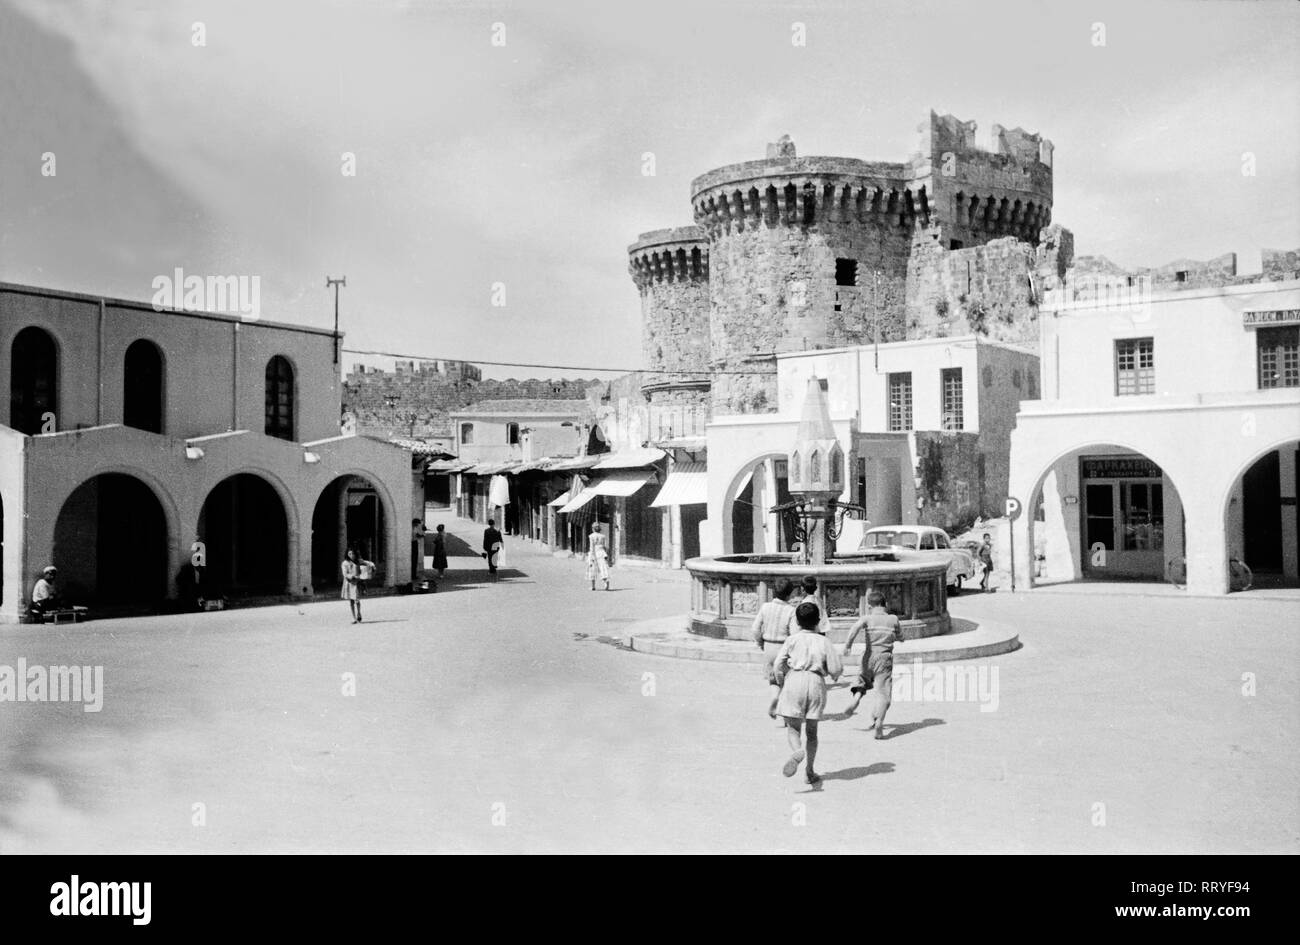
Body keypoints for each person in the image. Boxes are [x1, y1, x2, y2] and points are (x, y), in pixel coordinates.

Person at [773, 601, 843, 785]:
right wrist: (833, 675)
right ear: (818, 621)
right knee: (812, 732)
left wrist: (781, 680)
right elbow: (836, 668)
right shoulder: (824, 641)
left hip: (795, 679)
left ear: (796, 621)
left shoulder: (792, 639)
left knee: (793, 728)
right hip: (815, 682)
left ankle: (797, 750)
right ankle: (809, 771)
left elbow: (777, 664)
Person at [842, 590, 903, 739]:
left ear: (870, 606)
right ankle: (879, 722)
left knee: (862, 681)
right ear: (885, 604)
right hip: (884, 658)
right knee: (883, 693)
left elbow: (854, 628)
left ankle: (856, 699)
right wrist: (898, 638)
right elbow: (901, 636)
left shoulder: (866, 618)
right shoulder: (893, 619)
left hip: (867, 657)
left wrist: (848, 645)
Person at [751, 578, 797, 719]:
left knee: (773, 679)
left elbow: (755, 629)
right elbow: (794, 634)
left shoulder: (765, 607)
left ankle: (774, 698)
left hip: (769, 646)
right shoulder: (791, 611)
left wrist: (760, 642)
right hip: (783, 648)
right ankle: (784, 711)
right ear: (790, 594)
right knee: (787, 679)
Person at [341, 547, 374, 624]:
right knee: (351, 601)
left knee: (357, 599)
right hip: (349, 583)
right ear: (347, 554)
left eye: (352, 553)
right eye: (349, 553)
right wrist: (352, 576)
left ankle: (359, 613)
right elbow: (345, 573)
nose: (351, 555)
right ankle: (354, 617)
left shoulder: (359, 561)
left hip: (357, 583)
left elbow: (368, 564)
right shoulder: (345, 563)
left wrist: (371, 567)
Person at [586, 522, 610, 591]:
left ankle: (593, 586)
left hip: (594, 552)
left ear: (593, 529)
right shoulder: (603, 536)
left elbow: (591, 547)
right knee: (603, 567)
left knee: (592, 568)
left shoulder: (591, 536)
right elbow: (605, 546)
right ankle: (606, 583)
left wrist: (591, 555)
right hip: (602, 552)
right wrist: (606, 554)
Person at [411, 518, 428, 591]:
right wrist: (422, 535)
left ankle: (414, 574)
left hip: (414, 543)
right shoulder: (411, 528)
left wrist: (422, 534)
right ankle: (412, 574)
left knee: (415, 559)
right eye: (417, 524)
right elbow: (416, 535)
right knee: (413, 559)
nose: (418, 525)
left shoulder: (414, 528)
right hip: (411, 543)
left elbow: (417, 535)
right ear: (415, 523)